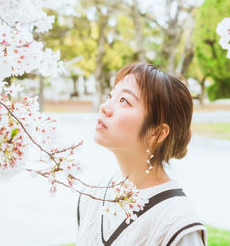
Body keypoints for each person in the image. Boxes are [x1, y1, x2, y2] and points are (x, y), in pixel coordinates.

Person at [76, 62, 207, 245]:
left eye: (124, 101)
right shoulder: (91, 195)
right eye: (111, 96)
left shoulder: (177, 224)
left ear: (157, 133)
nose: (105, 107)